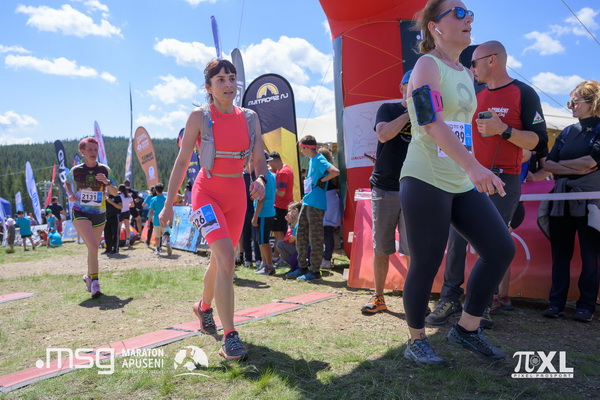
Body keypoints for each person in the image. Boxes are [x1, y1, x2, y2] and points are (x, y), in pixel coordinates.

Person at [399, 0, 515, 365]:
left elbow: (459, 129)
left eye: (470, 13)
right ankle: (416, 339)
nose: (469, 19)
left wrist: (474, 166)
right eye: (459, 13)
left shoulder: (465, 72)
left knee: (501, 249)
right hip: (425, 176)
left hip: (460, 178)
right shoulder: (426, 65)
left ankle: (467, 328)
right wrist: (475, 168)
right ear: (435, 26)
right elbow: (430, 120)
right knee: (426, 262)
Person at [427, 40, 548, 327]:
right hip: (468, 176)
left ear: (492, 60)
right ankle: (449, 298)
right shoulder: (473, 94)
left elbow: (538, 141)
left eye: (474, 62)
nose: (471, 68)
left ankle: (480, 306)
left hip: (503, 179)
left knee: (492, 245)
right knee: (456, 240)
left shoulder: (524, 92)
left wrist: (504, 130)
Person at [159, 58, 268, 361]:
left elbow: (259, 159)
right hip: (205, 193)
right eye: (220, 79)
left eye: (232, 78)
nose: (228, 84)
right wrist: (168, 205)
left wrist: (261, 179)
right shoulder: (199, 116)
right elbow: (182, 161)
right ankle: (230, 336)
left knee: (220, 262)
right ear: (208, 86)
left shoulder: (250, 118)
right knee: (227, 259)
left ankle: (203, 307)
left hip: (237, 195)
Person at [539, 80, 600, 323]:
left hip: (591, 201)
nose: (570, 106)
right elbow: (548, 164)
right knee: (560, 255)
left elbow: (590, 163)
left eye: (575, 101)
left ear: (592, 102)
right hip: (562, 199)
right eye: (569, 102)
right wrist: (576, 168)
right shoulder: (567, 132)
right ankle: (556, 303)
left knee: (591, 256)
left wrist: (564, 167)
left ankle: (586, 305)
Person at [361, 69, 412, 314]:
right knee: (382, 247)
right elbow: (383, 135)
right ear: (402, 88)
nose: (414, 88)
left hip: (414, 188)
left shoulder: (428, 115)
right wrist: (410, 113)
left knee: (412, 250)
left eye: (419, 84)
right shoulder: (388, 109)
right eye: (410, 84)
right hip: (385, 186)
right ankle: (379, 297)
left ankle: (414, 300)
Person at [66, 136, 118, 298]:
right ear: (82, 151)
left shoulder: (105, 169)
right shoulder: (76, 170)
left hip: (99, 213)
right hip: (80, 211)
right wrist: (70, 194)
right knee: (95, 246)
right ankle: (95, 283)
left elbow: (115, 192)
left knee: (92, 248)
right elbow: (67, 183)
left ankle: (89, 276)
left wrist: (107, 182)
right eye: (89, 149)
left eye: (95, 149)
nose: (93, 152)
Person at [286, 135, 340, 281]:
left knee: (315, 237)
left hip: (317, 204)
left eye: (301, 148)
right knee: (301, 234)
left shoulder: (319, 159)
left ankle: (315, 270)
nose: (301, 151)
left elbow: (335, 171)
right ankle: (302, 267)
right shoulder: (311, 160)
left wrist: (323, 180)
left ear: (306, 147)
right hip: (308, 202)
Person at [266, 151, 295, 266]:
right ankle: (277, 256)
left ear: (274, 161)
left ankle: (278, 257)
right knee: (280, 232)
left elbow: (281, 193)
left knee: (279, 233)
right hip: (285, 205)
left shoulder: (282, 172)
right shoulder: (286, 168)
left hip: (281, 206)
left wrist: (270, 190)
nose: (268, 165)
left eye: (269, 162)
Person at [253, 151, 277, 275]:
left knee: (264, 241)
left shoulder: (264, 177)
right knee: (262, 241)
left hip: (264, 213)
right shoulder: (271, 175)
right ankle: (265, 263)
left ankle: (269, 266)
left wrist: (255, 217)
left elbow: (261, 199)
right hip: (268, 212)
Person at [318, 147, 341, 270]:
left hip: (325, 200)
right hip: (333, 199)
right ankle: (326, 258)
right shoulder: (332, 168)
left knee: (325, 231)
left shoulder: (323, 169)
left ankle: (326, 259)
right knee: (328, 230)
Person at [275, 201, 302, 272]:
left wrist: (290, 223)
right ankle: (296, 266)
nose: (288, 213)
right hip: (305, 250)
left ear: (296, 211)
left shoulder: (300, 223)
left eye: (290, 211)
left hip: (305, 251)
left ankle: (296, 266)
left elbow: (289, 240)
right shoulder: (300, 222)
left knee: (280, 244)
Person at [148, 183, 167, 255]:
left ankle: (158, 249)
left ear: (155, 190)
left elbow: (151, 211)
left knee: (157, 236)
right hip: (165, 219)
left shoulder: (153, 199)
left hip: (156, 220)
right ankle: (167, 244)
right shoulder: (166, 199)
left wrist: (149, 221)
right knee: (165, 234)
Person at [118, 184, 134, 248]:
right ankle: (127, 242)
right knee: (127, 227)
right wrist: (127, 205)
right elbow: (132, 205)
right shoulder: (129, 196)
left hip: (120, 212)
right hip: (127, 212)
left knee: (119, 228)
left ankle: (118, 241)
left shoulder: (119, 196)